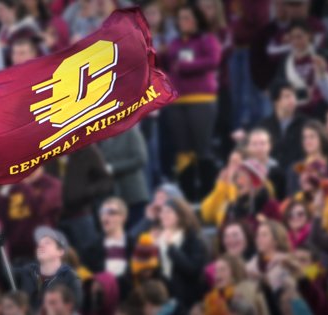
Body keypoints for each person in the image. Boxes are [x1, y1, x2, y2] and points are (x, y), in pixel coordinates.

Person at [162, 4, 222, 178]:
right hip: (177, 101)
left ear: (197, 19)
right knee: (182, 149)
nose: (184, 22)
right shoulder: (174, 42)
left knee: (202, 147)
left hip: (201, 99)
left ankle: (206, 187)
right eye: (181, 18)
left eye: (188, 17)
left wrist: (185, 66)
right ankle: (186, 188)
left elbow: (213, 61)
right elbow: (168, 65)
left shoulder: (207, 39)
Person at [2, 226, 82, 312]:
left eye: (47, 243)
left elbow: (74, 306)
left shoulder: (70, 277)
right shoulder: (27, 272)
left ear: (60, 251)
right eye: (40, 242)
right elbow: (1, 272)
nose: (40, 245)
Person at [154, 196, 208, 314]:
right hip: (164, 301)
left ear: (180, 214)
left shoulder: (193, 238)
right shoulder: (158, 239)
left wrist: (171, 247)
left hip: (187, 302)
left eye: (168, 211)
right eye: (162, 212)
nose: (163, 215)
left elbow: (193, 269)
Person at [97, 126, 149, 223]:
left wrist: (113, 168)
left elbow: (140, 158)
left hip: (133, 194)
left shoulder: (130, 132)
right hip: (115, 194)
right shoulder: (104, 136)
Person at [258, 84, 310, 171]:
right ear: (276, 101)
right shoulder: (264, 126)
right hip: (272, 173)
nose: (292, 100)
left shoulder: (306, 123)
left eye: (294, 95)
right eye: (287, 96)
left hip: (298, 172)